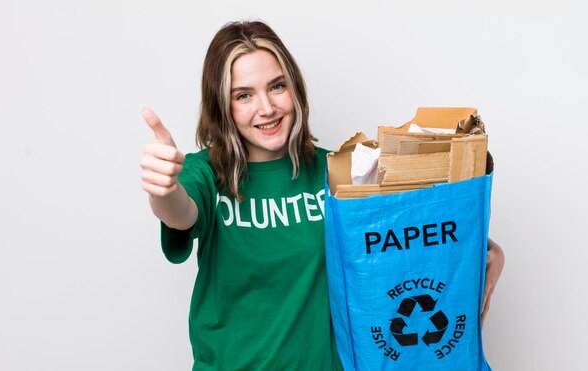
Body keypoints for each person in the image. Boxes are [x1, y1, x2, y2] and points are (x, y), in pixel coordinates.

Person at [140, 20, 504, 370]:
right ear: (222, 106)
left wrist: (490, 256)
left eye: (277, 86)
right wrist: (166, 189)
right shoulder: (203, 174)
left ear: (295, 89)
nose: (266, 108)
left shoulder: (342, 172)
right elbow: (180, 212)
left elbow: (420, 238)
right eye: (244, 95)